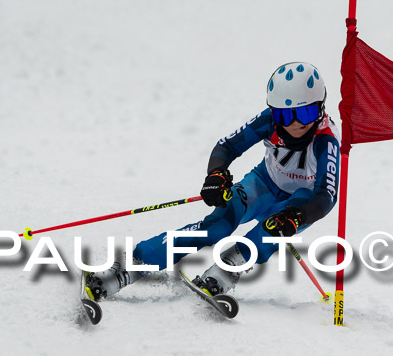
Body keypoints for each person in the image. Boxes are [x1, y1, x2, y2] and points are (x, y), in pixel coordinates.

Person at [85, 62, 341, 300]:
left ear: (320, 108)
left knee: (266, 235)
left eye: (306, 113)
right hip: (264, 184)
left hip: (303, 200)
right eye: (285, 116)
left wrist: (298, 216)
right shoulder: (268, 121)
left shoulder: (326, 140)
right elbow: (227, 146)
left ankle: (223, 274)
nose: (295, 123)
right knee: (216, 226)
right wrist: (216, 175)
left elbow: (326, 196)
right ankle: (133, 264)